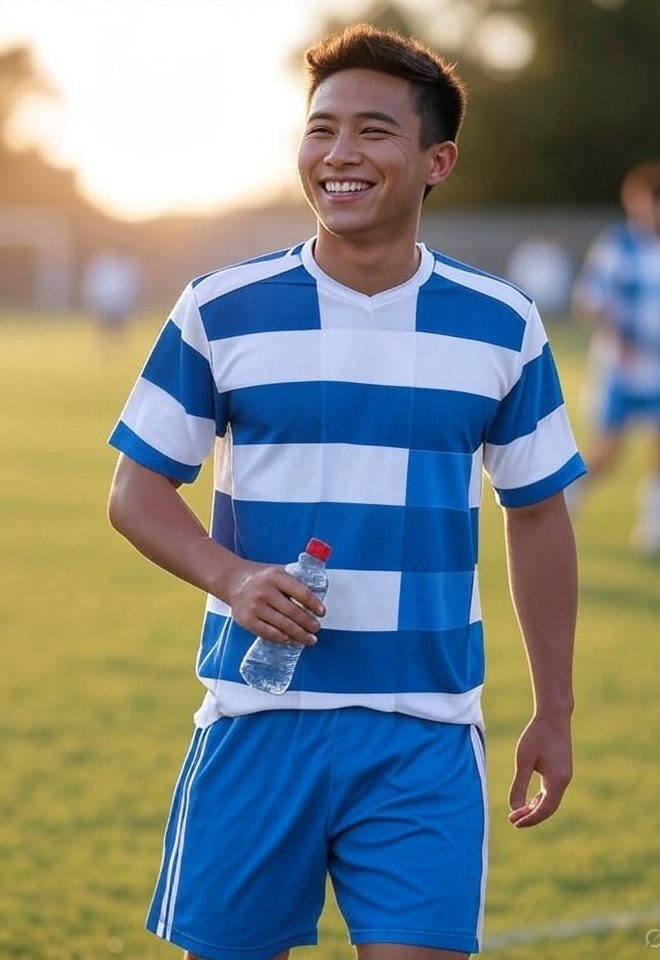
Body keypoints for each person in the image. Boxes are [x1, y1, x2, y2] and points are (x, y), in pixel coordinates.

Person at [107, 23, 584, 960]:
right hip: (257, 722)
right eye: (322, 129)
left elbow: (535, 511)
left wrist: (556, 710)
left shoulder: (502, 323)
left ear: (437, 159)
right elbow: (135, 489)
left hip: (425, 733)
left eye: (373, 131)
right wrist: (231, 576)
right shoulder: (219, 308)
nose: (339, 154)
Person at [570, 160, 660, 555]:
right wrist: (620, 335)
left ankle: (656, 530)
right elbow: (588, 302)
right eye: (652, 202)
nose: (659, 211)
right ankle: (566, 503)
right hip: (619, 365)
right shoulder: (617, 245)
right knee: (609, 449)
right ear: (634, 203)